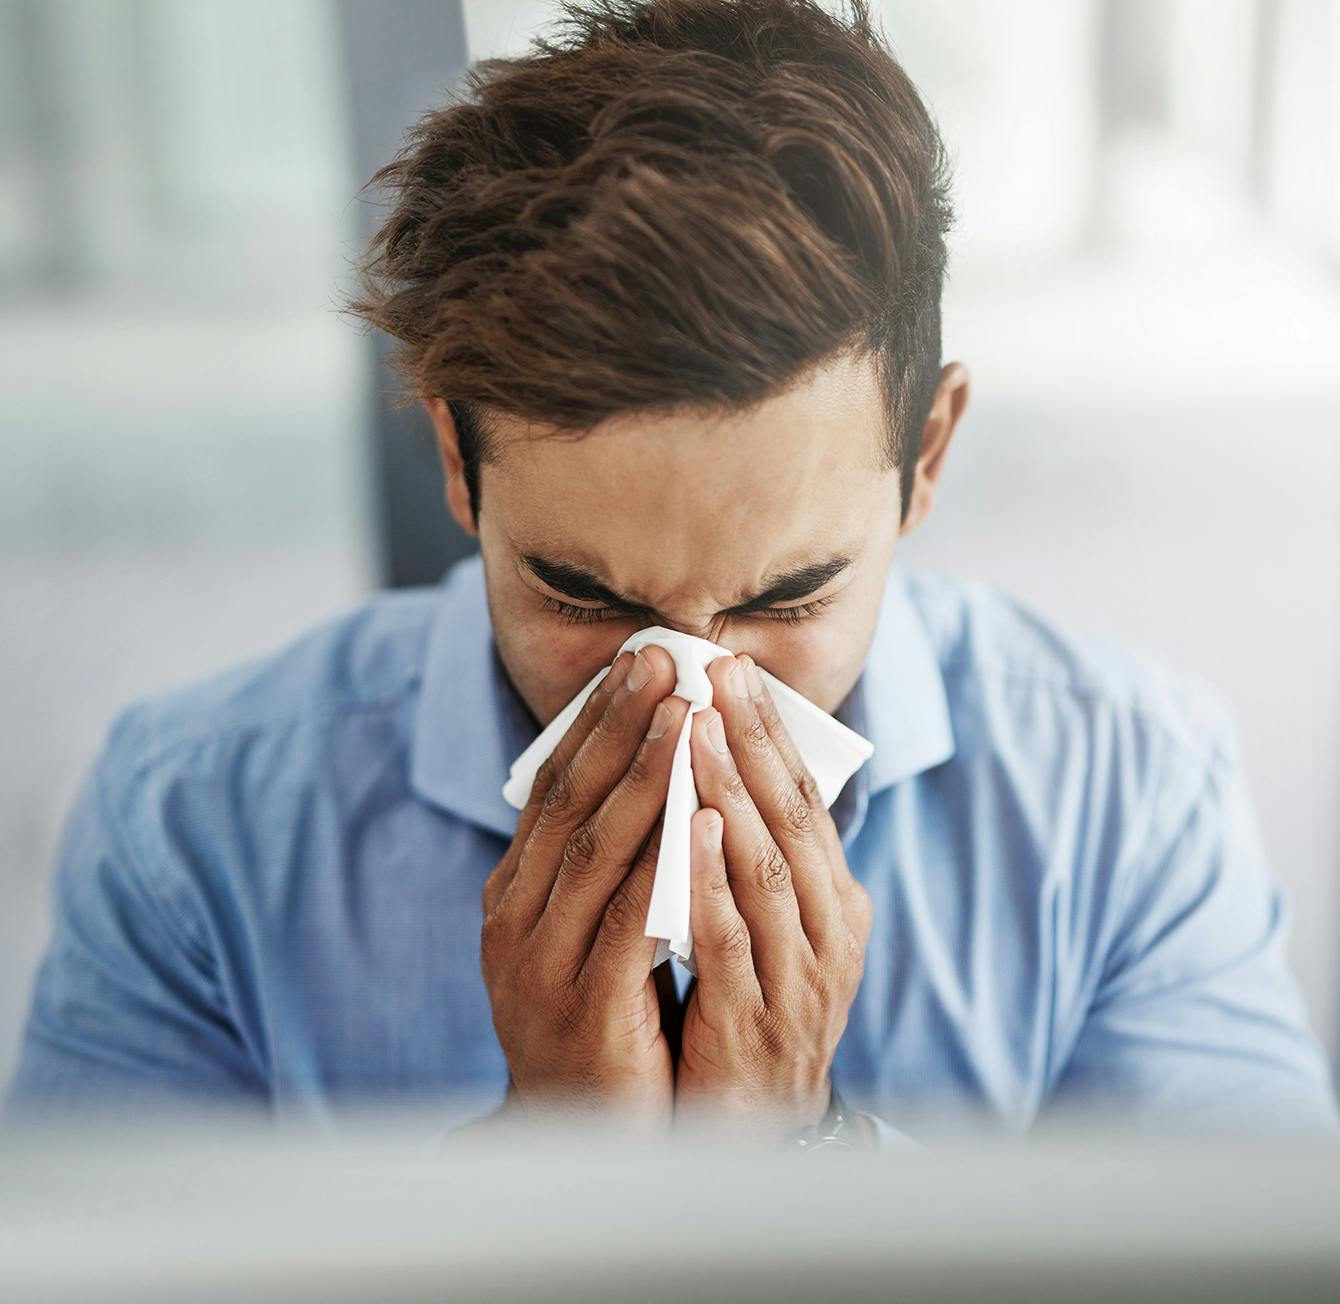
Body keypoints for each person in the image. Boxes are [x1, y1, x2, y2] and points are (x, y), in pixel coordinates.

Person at [7, 0, 1336, 1144]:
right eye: (582, 596)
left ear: (926, 456)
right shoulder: (196, 831)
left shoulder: (1125, 797)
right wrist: (545, 1180)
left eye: (789, 593)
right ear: (457, 467)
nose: (691, 694)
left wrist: (803, 1165)